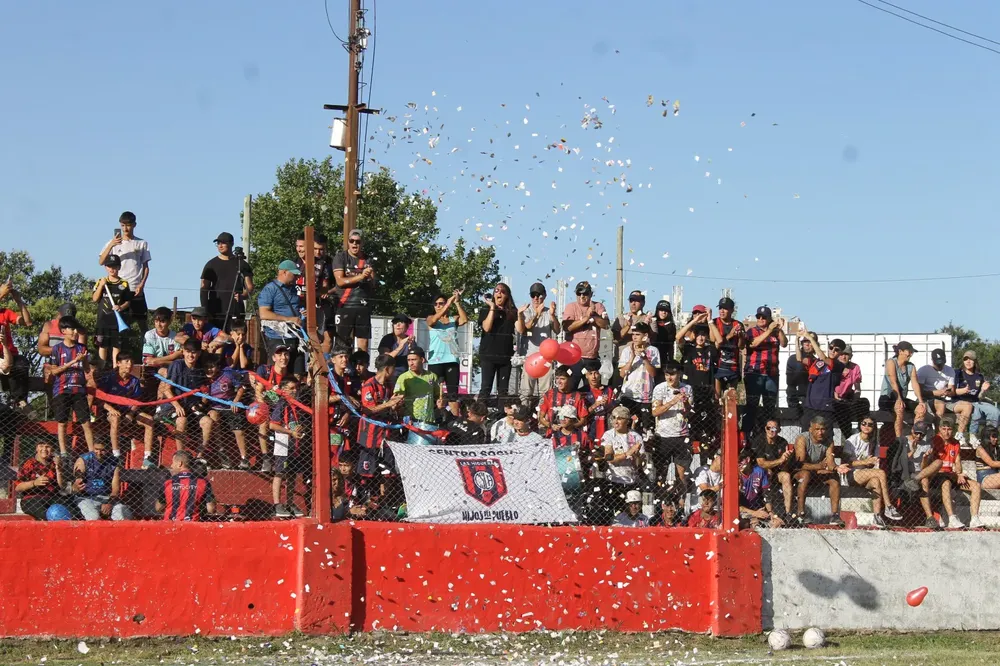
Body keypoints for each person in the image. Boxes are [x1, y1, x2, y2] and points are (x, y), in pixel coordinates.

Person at [46, 317, 95, 458]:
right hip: (61, 390)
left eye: (76, 329)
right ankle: (63, 453)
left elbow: (86, 370)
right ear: (63, 331)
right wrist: (73, 361)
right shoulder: (56, 349)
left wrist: (84, 360)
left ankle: (91, 453)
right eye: (71, 329)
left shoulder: (82, 348)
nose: (75, 332)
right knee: (62, 422)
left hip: (79, 390)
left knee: (86, 422)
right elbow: (54, 371)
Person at [839, 416, 902, 527]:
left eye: (870, 424)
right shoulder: (852, 440)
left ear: (874, 427)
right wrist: (865, 462)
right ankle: (888, 506)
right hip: (850, 475)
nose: (866, 426)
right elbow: (846, 463)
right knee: (881, 473)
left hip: (866, 474)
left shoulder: (874, 443)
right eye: (864, 423)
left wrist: (871, 464)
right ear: (860, 425)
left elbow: (875, 463)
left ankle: (876, 516)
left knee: (876, 481)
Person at [924, 416, 982, 529]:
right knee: (946, 483)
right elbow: (928, 465)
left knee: (976, 485)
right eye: (944, 428)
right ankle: (952, 518)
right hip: (937, 476)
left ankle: (974, 518)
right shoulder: (933, 441)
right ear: (939, 429)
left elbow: (957, 461)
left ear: (953, 430)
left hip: (952, 475)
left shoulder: (955, 443)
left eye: (949, 429)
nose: (946, 432)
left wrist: (959, 473)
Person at [97, 352, 155, 464]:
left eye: (132, 362)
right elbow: (99, 399)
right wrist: (111, 410)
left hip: (130, 412)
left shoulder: (135, 381)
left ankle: (147, 458)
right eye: (126, 362)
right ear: (118, 363)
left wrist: (131, 414)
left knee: (149, 421)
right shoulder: (109, 379)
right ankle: (116, 455)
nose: (130, 365)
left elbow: (137, 401)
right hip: (111, 412)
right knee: (115, 418)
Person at [97, 211, 151, 331]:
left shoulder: (142, 243)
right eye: (122, 225)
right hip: (118, 288)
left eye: (128, 225)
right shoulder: (112, 244)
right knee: (116, 321)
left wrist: (142, 284)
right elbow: (101, 261)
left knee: (142, 322)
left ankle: (145, 348)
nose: (125, 228)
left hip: (135, 288)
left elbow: (146, 267)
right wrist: (111, 244)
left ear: (134, 225)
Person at [197, 355, 249, 469]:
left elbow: (241, 387)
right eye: (206, 367)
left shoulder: (228, 375)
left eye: (212, 367)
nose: (209, 370)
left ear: (218, 367)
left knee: (238, 429)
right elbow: (203, 402)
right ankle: (222, 452)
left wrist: (236, 400)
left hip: (229, 407)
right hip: (214, 408)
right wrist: (204, 398)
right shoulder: (202, 379)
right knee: (213, 416)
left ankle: (244, 459)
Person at [742, 306, 786, 438]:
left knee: (769, 407)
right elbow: (753, 343)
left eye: (763, 317)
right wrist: (769, 331)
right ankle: (746, 435)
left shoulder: (775, 332)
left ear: (769, 318)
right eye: (758, 317)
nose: (760, 319)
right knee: (752, 405)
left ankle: (767, 435)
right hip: (755, 373)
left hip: (771, 374)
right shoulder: (752, 331)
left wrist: (779, 329)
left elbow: (784, 343)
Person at [649, 361, 693, 492]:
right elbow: (655, 411)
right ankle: (660, 501)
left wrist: (685, 403)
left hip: (682, 435)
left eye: (672, 375)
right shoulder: (659, 388)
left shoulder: (687, 388)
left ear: (679, 374)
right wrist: (673, 401)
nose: (669, 378)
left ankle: (682, 501)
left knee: (682, 474)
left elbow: (689, 412)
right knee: (661, 473)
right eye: (667, 374)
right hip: (663, 435)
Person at [792, 416, 844, 527]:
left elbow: (830, 463)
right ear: (810, 429)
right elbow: (800, 464)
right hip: (799, 472)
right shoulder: (802, 439)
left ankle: (834, 515)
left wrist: (836, 468)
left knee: (834, 478)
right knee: (805, 475)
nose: (820, 432)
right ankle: (801, 513)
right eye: (817, 429)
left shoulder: (829, 440)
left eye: (823, 429)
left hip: (817, 472)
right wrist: (819, 466)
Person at [269, 377, 309, 518]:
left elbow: (297, 423)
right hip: (282, 442)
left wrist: (299, 428)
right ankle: (277, 504)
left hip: (295, 443)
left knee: (292, 474)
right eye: (291, 388)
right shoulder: (282, 404)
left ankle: (290, 503)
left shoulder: (297, 405)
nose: (295, 390)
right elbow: (272, 425)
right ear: (283, 390)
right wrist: (290, 432)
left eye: (296, 388)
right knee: (280, 473)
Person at [258, 259, 306, 376]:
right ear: (284, 272)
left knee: (297, 373)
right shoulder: (270, 289)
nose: (296, 278)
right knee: (278, 373)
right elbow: (264, 314)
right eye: (294, 274)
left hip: (295, 336)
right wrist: (289, 319)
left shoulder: (294, 289)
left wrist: (301, 314)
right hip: (277, 336)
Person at [200, 232, 255, 332]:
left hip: (235, 310)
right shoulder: (211, 264)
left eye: (223, 243)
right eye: (218, 243)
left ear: (231, 244)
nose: (220, 245)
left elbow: (250, 287)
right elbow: (204, 288)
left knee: (235, 340)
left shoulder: (241, 264)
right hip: (215, 311)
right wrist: (204, 309)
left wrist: (242, 296)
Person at [332, 228, 375, 352]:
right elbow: (340, 281)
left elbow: (373, 284)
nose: (355, 244)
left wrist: (370, 277)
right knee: (342, 342)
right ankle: (342, 369)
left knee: (364, 342)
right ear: (348, 242)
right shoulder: (341, 257)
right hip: (344, 304)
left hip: (363, 305)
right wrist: (361, 276)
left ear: (362, 243)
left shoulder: (368, 259)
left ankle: (361, 368)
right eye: (352, 241)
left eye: (358, 241)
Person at [516, 283, 559, 406]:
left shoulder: (548, 312)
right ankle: (524, 415)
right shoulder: (526, 311)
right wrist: (537, 315)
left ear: (544, 296)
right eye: (533, 295)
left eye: (539, 295)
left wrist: (552, 315)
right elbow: (525, 329)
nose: (536, 298)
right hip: (530, 357)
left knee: (546, 392)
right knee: (526, 392)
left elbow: (557, 330)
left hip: (546, 358)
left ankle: (542, 418)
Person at [676, 315, 717, 444]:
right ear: (694, 335)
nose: (701, 337)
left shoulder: (710, 350)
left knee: (706, 420)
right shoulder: (689, 349)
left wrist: (710, 321)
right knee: (691, 417)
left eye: (703, 335)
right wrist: (693, 322)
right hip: (691, 389)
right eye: (698, 334)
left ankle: (705, 443)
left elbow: (718, 340)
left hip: (706, 390)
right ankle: (689, 441)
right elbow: (678, 337)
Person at [427, 290, 469, 417]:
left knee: (452, 394)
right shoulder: (431, 318)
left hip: (451, 359)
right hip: (435, 360)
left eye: (442, 303)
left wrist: (456, 303)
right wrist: (447, 304)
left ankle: (455, 421)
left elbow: (464, 320)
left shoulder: (452, 319)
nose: (439, 306)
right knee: (432, 392)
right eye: (436, 304)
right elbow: (432, 321)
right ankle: (432, 417)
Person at [917, 348, 972, 445]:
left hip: (944, 399)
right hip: (928, 400)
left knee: (968, 406)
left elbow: (952, 390)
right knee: (941, 405)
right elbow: (919, 392)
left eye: (941, 363)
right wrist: (936, 393)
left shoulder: (950, 370)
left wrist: (949, 392)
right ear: (932, 360)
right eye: (937, 363)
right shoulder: (923, 370)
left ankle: (959, 435)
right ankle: (939, 438)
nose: (940, 365)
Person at [561, 281, 610, 390]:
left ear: (591, 294)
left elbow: (606, 325)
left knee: (592, 391)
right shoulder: (571, 307)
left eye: (585, 293)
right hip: (574, 358)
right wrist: (586, 318)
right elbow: (567, 327)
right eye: (579, 293)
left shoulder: (598, 306)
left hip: (592, 358)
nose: (582, 296)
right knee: (570, 389)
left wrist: (594, 315)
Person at [162, 339, 207, 453]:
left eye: (194, 352)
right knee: (182, 421)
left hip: (191, 407)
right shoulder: (177, 365)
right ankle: (180, 454)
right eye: (188, 351)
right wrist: (177, 406)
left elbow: (204, 392)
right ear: (183, 352)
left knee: (208, 422)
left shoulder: (200, 369)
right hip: (172, 407)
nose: (190, 355)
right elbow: (167, 390)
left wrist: (200, 404)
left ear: (199, 353)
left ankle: (200, 457)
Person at [599, 405, 645, 517]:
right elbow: (609, 458)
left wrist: (637, 456)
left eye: (619, 418)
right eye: (614, 417)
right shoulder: (608, 435)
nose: (615, 421)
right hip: (613, 481)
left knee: (631, 515)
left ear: (627, 421)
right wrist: (628, 453)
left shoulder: (636, 437)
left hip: (632, 481)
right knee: (614, 513)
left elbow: (639, 465)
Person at [798, 331, 845, 434]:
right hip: (810, 405)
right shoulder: (818, 362)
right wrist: (796, 341)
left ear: (840, 353)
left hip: (825, 407)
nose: (833, 351)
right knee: (805, 435)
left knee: (825, 435)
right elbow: (799, 359)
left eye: (836, 350)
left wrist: (811, 339)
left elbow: (824, 357)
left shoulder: (838, 365)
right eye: (831, 348)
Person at [617, 322, 660, 435]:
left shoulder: (653, 350)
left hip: (646, 397)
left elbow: (654, 373)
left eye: (637, 334)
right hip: (629, 396)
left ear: (645, 336)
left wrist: (645, 358)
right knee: (626, 428)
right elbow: (622, 374)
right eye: (633, 334)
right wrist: (632, 358)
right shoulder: (627, 350)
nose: (634, 337)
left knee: (646, 431)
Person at [91, 254, 133, 368]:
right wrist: (101, 286)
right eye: (109, 266)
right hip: (102, 321)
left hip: (117, 322)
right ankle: (102, 369)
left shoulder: (124, 284)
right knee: (102, 346)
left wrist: (120, 307)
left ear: (119, 267)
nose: (112, 269)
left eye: (114, 266)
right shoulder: (101, 281)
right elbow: (94, 299)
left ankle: (116, 369)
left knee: (116, 346)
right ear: (105, 267)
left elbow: (128, 302)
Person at [878, 341, 926, 439]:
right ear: (900, 351)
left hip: (901, 399)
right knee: (899, 408)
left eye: (912, 352)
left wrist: (921, 401)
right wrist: (899, 398)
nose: (911, 354)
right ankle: (898, 439)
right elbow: (893, 381)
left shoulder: (911, 366)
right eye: (909, 352)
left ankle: (915, 437)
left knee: (921, 409)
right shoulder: (891, 362)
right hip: (887, 397)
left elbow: (915, 384)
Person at [478, 283, 517, 401]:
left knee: (503, 391)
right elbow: (486, 327)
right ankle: (480, 416)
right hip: (488, 355)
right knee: (485, 388)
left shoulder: (512, 312)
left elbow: (520, 329)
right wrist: (492, 308)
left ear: (507, 295)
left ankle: (501, 416)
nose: (499, 293)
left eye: (502, 291)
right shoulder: (486, 309)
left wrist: (519, 314)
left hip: (505, 356)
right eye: (496, 290)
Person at [72, 443, 131, 521]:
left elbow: (115, 489)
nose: (99, 453)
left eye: (102, 450)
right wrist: (78, 479)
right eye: (96, 449)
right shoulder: (84, 458)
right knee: (94, 517)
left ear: (108, 449)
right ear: (93, 447)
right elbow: (79, 472)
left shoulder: (114, 462)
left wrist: (109, 503)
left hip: (106, 498)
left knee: (124, 514)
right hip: (86, 498)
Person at [753, 418, 795, 519]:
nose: (771, 431)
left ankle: (788, 513)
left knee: (786, 476)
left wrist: (786, 459)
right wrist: (780, 460)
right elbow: (761, 463)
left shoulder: (782, 442)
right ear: (765, 429)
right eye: (769, 428)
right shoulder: (759, 440)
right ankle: (769, 511)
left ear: (779, 430)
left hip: (776, 472)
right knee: (767, 471)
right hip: (758, 472)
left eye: (775, 428)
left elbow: (783, 468)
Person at [156, 451, 217, 521]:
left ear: (180, 464)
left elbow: (158, 508)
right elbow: (211, 509)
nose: (171, 465)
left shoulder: (168, 483)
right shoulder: (203, 482)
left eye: (173, 462)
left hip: (170, 525)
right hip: (193, 525)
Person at [293, 231, 334, 335]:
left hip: (319, 304)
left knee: (323, 335)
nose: (299, 249)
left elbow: (327, 284)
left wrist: (324, 291)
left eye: (301, 246)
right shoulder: (294, 262)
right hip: (298, 305)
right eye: (297, 246)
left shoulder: (326, 263)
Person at [0, 278, 31, 410]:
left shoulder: (5, 312)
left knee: (22, 363)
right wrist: (1, 293)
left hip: (9, 354)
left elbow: (27, 322)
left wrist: (19, 301)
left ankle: (19, 401)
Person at [954, 350, 997, 444]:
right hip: (960, 401)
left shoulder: (979, 376)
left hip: (975, 402)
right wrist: (963, 391)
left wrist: (983, 390)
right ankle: (972, 435)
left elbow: (979, 397)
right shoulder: (958, 373)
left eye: (971, 359)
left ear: (975, 361)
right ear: (963, 361)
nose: (968, 362)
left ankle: (989, 436)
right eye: (966, 359)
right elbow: (952, 392)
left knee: (995, 411)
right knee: (975, 411)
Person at [393, 346, 443, 424]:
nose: (411, 363)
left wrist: (440, 402)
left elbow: (438, 396)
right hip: (411, 421)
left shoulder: (432, 376)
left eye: (414, 360)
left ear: (422, 360)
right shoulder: (403, 377)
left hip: (429, 421)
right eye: (409, 360)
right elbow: (397, 399)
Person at [15, 442, 63, 520]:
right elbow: (18, 487)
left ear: (52, 450)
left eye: (48, 447)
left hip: (52, 498)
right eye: (41, 446)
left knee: (72, 511)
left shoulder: (54, 463)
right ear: (36, 448)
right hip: (32, 499)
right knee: (48, 515)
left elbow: (61, 486)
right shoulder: (29, 463)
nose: (44, 449)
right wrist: (34, 483)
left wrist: (59, 469)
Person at [738, 447, 783, 528]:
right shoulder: (735, 475)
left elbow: (766, 494)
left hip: (757, 508)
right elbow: (736, 506)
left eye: (740, 461)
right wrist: (754, 513)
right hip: (741, 512)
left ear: (747, 459)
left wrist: (770, 512)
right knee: (755, 523)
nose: (738, 464)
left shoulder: (759, 471)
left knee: (777, 523)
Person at [612, 291, 651, 378]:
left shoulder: (649, 319)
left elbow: (652, 339)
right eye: (631, 300)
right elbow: (615, 338)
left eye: (637, 300)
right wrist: (628, 325)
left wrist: (646, 325)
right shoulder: (621, 318)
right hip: (622, 362)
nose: (633, 303)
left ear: (643, 303)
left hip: (642, 363)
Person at [537, 366, 588, 435]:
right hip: (552, 434)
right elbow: (541, 417)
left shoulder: (577, 396)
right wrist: (550, 425)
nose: (559, 382)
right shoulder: (549, 394)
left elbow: (583, 420)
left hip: (571, 435)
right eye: (557, 378)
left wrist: (571, 426)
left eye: (562, 379)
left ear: (570, 379)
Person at [710, 297, 744, 395]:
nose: (722, 311)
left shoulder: (738, 324)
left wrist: (740, 336)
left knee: (731, 398)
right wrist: (729, 335)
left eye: (725, 308)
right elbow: (714, 342)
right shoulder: (714, 322)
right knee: (717, 397)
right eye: (720, 308)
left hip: (733, 366)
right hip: (718, 365)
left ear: (732, 310)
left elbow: (741, 346)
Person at [833, 344, 867, 439]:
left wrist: (856, 399)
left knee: (864, 402)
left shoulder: (855, 367)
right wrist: (837, 397)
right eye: (841, 354)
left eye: (847, 354)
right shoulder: (833, 366)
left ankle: (862, 430)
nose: (844, 357)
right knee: (842, 410)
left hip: (847, 395)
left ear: (851, 356)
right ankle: (848, 437)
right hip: (833, 397)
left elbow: (857, 387)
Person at [582, 361, 616, 444]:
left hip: (607, 428)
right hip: (589, 430)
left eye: (596, 373)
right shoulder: (582, 392)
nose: (593, 377)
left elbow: (614, 411)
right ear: (586, 375)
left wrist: (607, 406)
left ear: (600, 374)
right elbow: (581, 415)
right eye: (590, 373)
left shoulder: (608, 390)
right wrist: (595, 405)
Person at [786, 332, 815, 418]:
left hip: (810, 398)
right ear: (802, 343)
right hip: (795, 397)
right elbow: (791, 381)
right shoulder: (793, 358)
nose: (808, 344)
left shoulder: (817, 361)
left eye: (811, 341)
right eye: (805, 341)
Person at [649, 299, 677, 374]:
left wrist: (671, 359)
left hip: (664, 356)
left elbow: (671, 344)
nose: (663, 312)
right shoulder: (652, 322)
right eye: (661, 310)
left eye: (666, 311)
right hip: (651, 355)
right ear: (657, 311)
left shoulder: (671, 325)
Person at [974, 426, 1000, 493]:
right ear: (987, 437)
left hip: (995, 476)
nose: (996, 439)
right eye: (994, 436)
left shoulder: (996, 449)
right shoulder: (980, 449)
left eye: (997, 436)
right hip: (985, 478)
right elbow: (992, 463)